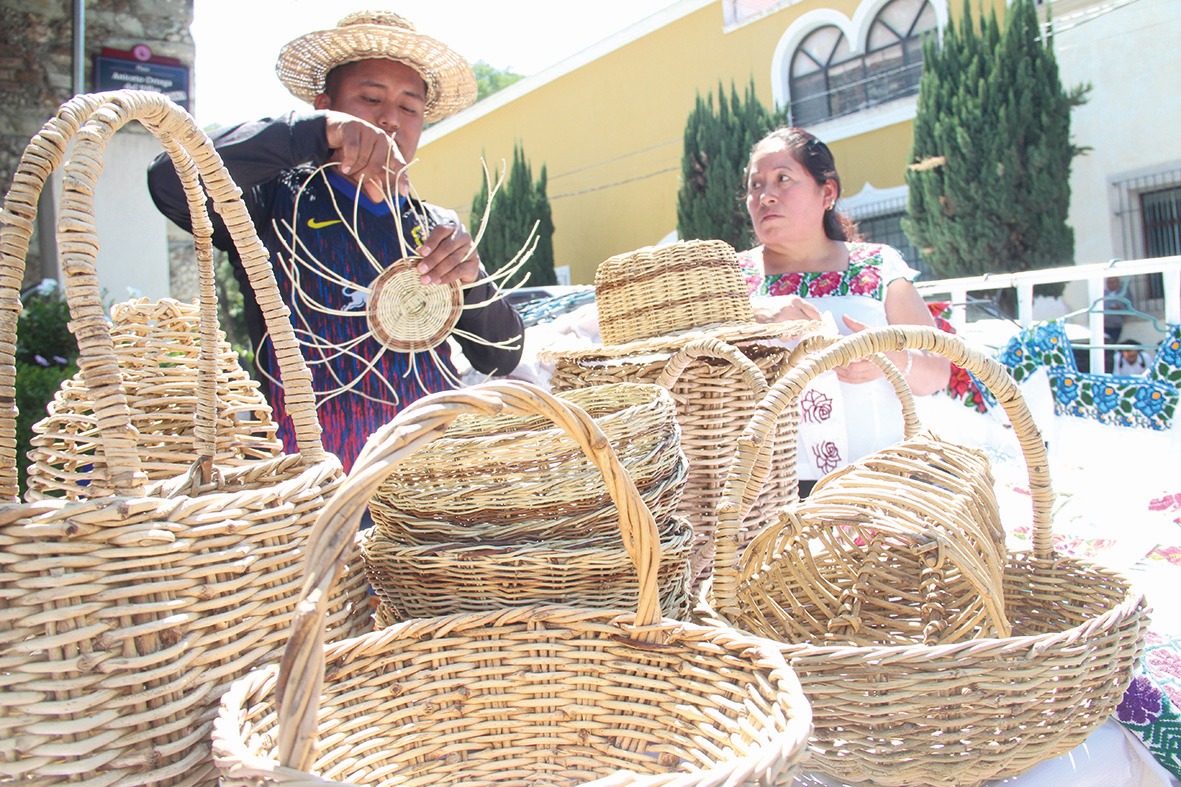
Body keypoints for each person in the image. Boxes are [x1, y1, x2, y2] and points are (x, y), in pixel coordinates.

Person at [147, 11, 523, 472]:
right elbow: (170, 175)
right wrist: (312, 134)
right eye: (369, 98)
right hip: (316, 480)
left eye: (409, 107)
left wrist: (473, 279)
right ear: (326, 105)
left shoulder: (435, 228)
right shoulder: (274, 203)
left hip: (432, 475)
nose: (390, 119)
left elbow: (502, 355)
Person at [739, 126, 950, 494]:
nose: (766, 196)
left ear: (828, 192)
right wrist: (754, 318)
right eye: (756, 185)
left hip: (881, 485)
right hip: (767, 498)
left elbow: (937, 373)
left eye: (783, 179)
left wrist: (888, 357)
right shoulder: (729, 278)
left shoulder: (878, 267)